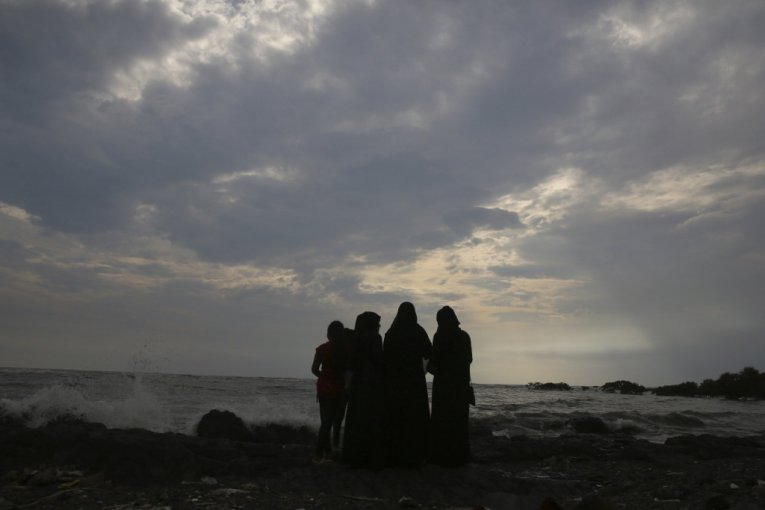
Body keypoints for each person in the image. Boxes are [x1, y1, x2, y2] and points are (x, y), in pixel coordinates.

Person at [383, 301, 432, 467]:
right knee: (415, 416)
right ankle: (416, 453)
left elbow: (385, 357)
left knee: (396, 415)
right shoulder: (418, 331)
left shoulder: (391, 332)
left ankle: (394, 453)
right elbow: (429, 351)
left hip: (395, 381)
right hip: (414, 380)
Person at [428, 306, 473, 466]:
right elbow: (469, 359)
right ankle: (459, 456)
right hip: (460, 384)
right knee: (459, 419)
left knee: (442, 419)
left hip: (443, 385)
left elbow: (434, 360)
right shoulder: (464, 336)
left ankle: (442, 456)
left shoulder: (440, 337)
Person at [342, 311, 385, 468]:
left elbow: (351, 364)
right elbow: (379, 360)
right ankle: (369, 457)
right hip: (372, 384)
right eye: (377, 323)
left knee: (356, 419)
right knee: (371, 419)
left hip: (357, 384)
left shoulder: (356, 339)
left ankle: (353, 456)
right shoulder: (375, 338)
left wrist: (347, 385)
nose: (379, 326)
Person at [311, 320, 347, 462]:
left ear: (329, 334)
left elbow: (314, 369)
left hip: (324, 388)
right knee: (336, 421)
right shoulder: (346, 350)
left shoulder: (322, 349)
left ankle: (324, 452)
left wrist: (325, 377)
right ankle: (329, 450)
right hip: (339, 388)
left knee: (325, 422)